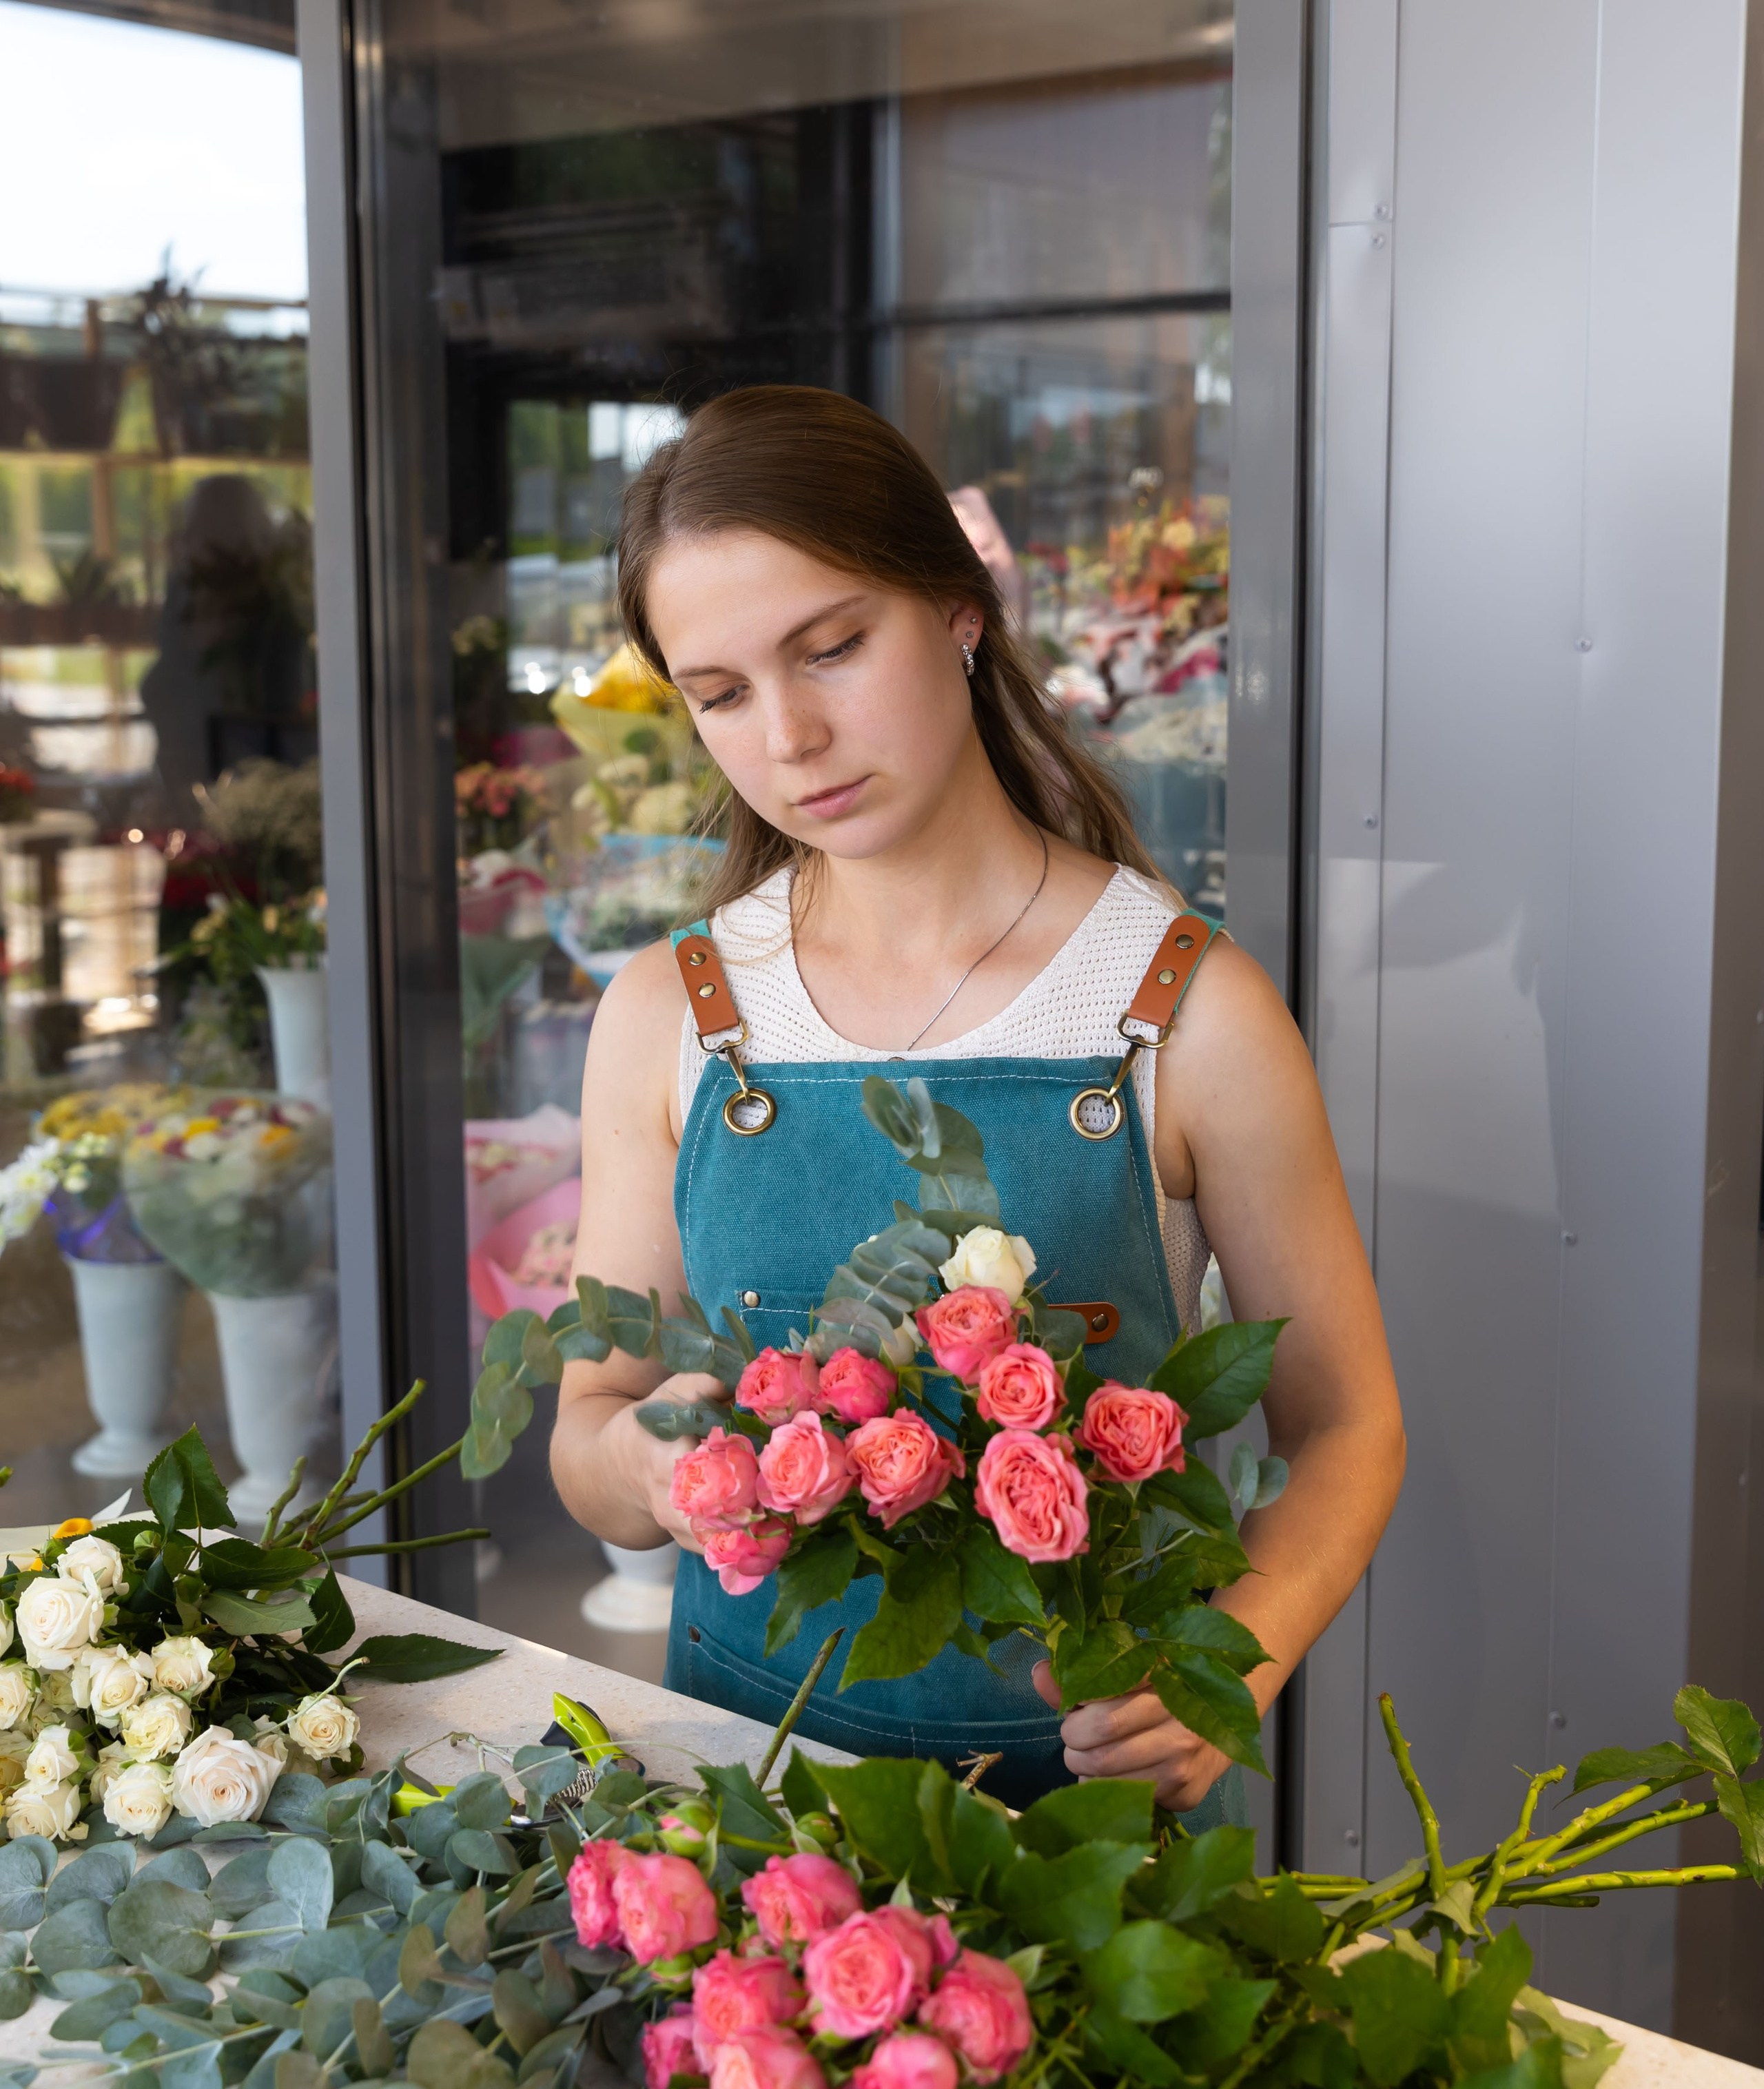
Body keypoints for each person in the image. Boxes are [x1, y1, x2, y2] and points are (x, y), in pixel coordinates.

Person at [551, 385, 1404, 1818]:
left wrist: (1233, 1664)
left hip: (1073, 1825)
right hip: (732, 1803)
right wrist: (646, 1476)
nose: (790, 739)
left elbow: (1343, 1425)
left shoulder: (1181, 1010)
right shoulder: (668, 1011)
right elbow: (590, 1425)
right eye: (720, 696)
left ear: (958, 607)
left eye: (830, 650)